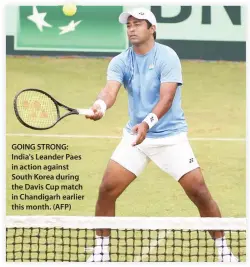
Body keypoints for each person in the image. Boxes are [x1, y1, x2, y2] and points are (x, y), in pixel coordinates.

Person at [85, 7, 238, 263]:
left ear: (152, 28)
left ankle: (224, 250)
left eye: (137, 24)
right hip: (135, 138)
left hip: (170, 138)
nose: (131, 28)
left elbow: (166, 99)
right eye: (129, 24)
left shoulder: (168, 57)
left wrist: (147, 123)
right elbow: (109, 91)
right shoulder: (121, 61)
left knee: (199, 193)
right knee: (107, 190)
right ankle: (101, 252)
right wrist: (100, 106)